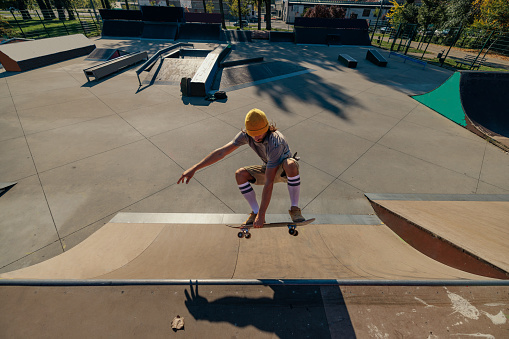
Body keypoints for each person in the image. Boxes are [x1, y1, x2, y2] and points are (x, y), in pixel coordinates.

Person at [177, 108, 305, 228]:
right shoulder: (246, 135)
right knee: (240, 174)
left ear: (267, 128)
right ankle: (254, 212)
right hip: (269, 167)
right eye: (252, 134)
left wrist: (263, 214)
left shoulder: (276, 142)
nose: (256, 137)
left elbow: (269, 182)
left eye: (259, 133)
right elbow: (221, 152)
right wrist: (194, 168)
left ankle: (295, 209)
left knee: (290, 164)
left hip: (284, 171)